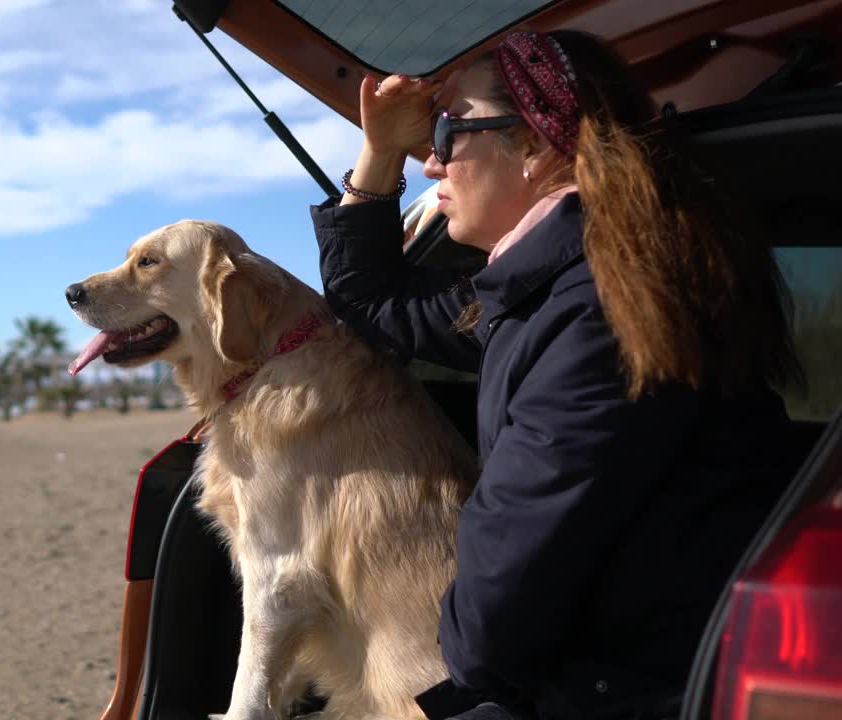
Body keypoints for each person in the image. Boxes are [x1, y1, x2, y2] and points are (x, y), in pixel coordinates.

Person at [312, 29, 803, 720]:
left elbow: (494, 618)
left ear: (537, 145)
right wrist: (380, 151)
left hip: (637, 688)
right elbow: (373, 301)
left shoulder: (598, 314)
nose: (433, 164)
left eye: (451, 131)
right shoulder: (561, 288)